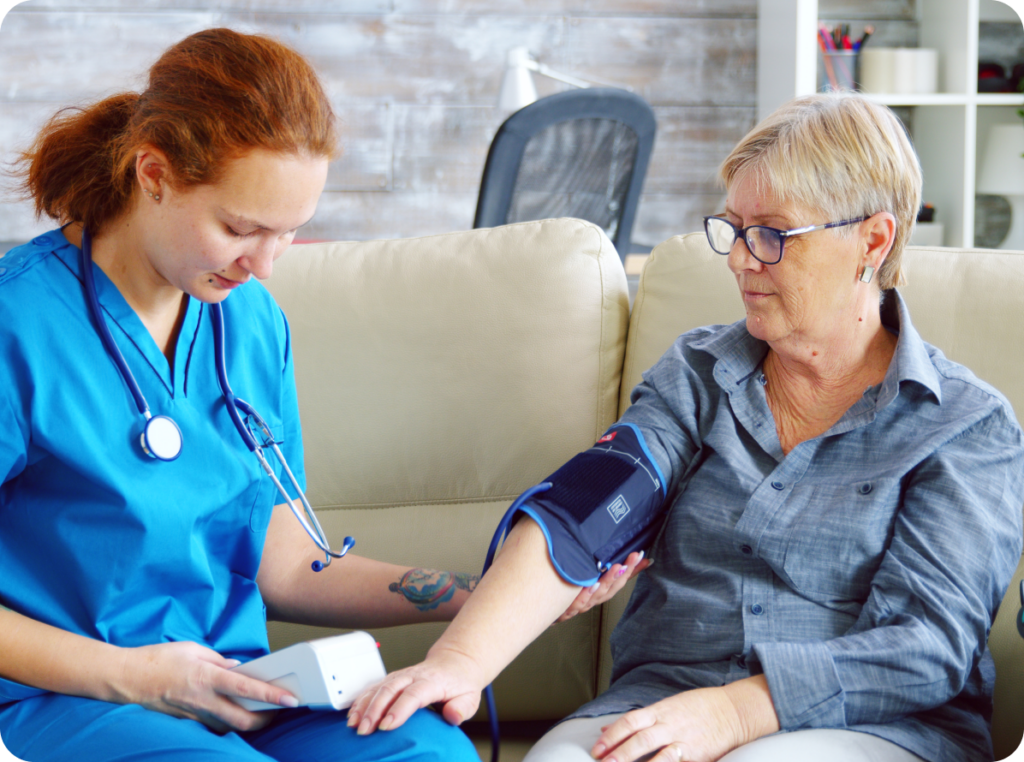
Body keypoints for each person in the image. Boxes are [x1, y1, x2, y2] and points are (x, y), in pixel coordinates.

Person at [0, 28, 641, 762]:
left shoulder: (248, 321)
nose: (265, 266)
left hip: (238, 690)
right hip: (63, 699)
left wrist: (505, 591)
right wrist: (133, 677)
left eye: (289, 234)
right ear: (154, 174)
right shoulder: (18, 324)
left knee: (426, 752)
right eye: (240, 228)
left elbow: (285, 564)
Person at [349, 93, 1024, 762]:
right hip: (661, 702)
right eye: (733, 229)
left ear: (872, 240)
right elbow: (585, 515)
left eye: (771, 235)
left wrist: (735, 713)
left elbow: (925, 646)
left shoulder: (965, 425)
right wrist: (461, 661)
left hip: (876, 729)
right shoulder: (699, 374)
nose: (737, 259)